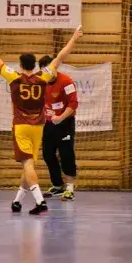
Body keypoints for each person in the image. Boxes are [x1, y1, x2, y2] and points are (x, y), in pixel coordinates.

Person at [0, 26, 82, 215]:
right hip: (39, 126)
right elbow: (61, 57)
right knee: (29, 163)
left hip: (22, 126)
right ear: (35, 65)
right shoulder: (44, 77)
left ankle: (40, 202)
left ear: (20, 65)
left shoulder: (14, 77)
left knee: (27, 164)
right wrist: (74, 38)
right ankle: (17, 202)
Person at [38, 55, 78, 202]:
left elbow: (73, 104)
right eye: (44, 71)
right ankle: (57, 185)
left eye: (49, 70)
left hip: (65, 123)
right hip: (49, 124)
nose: (47, 73)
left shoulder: (66, 81)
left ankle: (70, 189)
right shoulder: (42, 82)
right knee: (48, 154)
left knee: (66, 154)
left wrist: (60, 118)